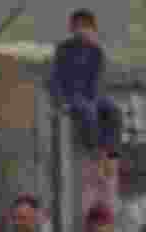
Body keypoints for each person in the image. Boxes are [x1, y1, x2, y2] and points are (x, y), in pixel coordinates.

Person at [50, 9, 122, 176]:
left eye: (87, 27)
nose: (83, 30)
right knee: (88, 111)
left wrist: (96, 99)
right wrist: (61, 101)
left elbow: (98, 80)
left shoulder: (96, 51)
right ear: (72, 28)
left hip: (92, 95)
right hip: (72, 95)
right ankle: (96, 156)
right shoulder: (64, 49)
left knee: (114, 110)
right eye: (79, 26)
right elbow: (56, 78)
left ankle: (111, 156)